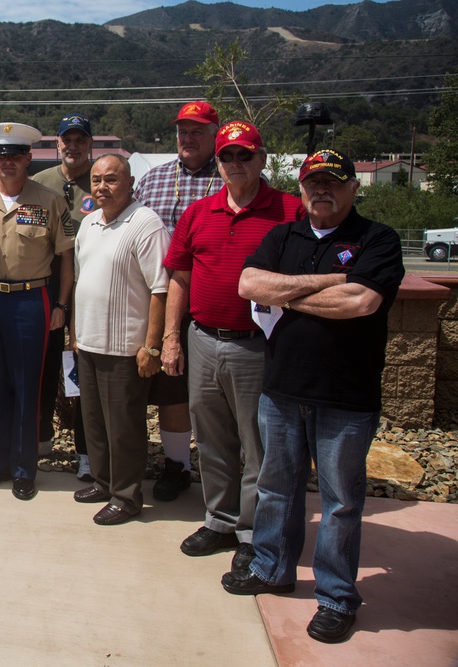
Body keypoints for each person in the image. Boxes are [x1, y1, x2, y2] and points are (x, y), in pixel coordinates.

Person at [221, 150, 404, 644]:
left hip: (345, 397)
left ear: (352, 189)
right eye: (312, 183)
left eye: (332, 183)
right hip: (281, 390)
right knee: (277, 489)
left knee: (342, 502)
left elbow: (362, 301)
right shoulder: (284, 235)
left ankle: (337, 597)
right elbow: (249, 283)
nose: (321, 191)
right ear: (301, 188)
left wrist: (288, 292)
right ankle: (272, 568)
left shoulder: (378, 239)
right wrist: (332, 282)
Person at [162, 120, 304, 568]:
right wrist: (171, 338)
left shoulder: (288, 211)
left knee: (257, 445)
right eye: (228, 155)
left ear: (262, 159)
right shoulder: (198, 213)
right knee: (212, 439)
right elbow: (179, 278)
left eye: (246, 155)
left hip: (258, 346)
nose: (236, 163)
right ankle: (220, 520)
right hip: (202, 338)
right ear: (217, 162)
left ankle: (251, 531)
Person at [0, 122, 74, 501]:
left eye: (15, 156)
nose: (7, 162)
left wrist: (61, 304)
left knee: (29, 385)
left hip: (32, 300)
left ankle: (25, 468)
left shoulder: (49, 201)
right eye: (0, 155)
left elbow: (66, 259)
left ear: (29, 158)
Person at [72, 154, 170, 523]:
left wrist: (152, 345)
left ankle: (126, 497)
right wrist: (76, 333)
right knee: (94, 423)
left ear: (129, 183)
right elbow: (83, 280)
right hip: (90, 342)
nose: (102, 187)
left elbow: (160, 289)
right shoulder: (89, 223)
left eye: (111, 179)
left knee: (124, 428)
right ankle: (104, 482)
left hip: (126, 348)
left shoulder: (145, 224)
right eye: (96, 180)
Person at [135, 101, 222, 502]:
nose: (188, 139)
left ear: (215, 135)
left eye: (198, 131)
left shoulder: (226, 178)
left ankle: (188, 466)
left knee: (184, 391)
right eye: (183, 131)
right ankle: (149, 461)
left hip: (200, 302)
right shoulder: (152, 179)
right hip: (147, 298)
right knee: (146, 386)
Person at [32, 112, 94, 480]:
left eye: (80, 140)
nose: (73, 146)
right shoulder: (40, 182)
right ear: (57, 144)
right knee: (44, 366)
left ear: (90, 143)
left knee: (82, 374)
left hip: (91, 293)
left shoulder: (102, 182)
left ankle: (86, 450)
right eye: (66, 140)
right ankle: (41, 437)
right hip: (48, 290)